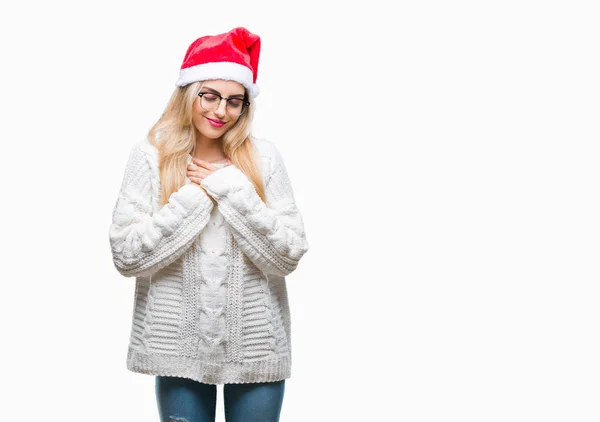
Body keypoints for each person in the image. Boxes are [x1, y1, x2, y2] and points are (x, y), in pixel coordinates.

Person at [108, 27, 309, 422]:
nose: (221, 111)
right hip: (177, 349)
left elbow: (288, 254)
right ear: (188, 94)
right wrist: (196, 196)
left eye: (235, 101)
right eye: (210, 96)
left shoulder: (263, 158)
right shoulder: (151, 157)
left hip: (254, 346)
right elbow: (126, 257)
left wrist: (230, 188)